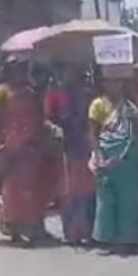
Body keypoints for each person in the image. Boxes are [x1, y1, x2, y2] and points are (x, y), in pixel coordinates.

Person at [0, 59, 57, 245]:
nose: (21, 73)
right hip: (11, 142)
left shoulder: (31, 91)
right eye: (18, 69)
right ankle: (15, 229)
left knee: (35, 186)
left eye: (24, 69)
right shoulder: (1, 91)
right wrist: (1, 141)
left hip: (32, 143)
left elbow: (38, 115)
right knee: (12, 187)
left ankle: (36, 227)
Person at [88, 73, 138, 253]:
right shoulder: (97, 105)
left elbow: (135, 133)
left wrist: (123, 155)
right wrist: (99, 156)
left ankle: (127, 240)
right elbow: (93, 133)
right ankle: (106, 239)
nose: (115, 85)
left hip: (126, 158)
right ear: (104, 83)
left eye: (118, 81)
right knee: (106, 200)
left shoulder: (130, 108)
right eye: (111, 81)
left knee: (128, 199)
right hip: (105, 155)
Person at [45, 64, 96, 245]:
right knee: (69, 190)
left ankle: (85, 230)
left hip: (84, 143)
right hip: (67, 145)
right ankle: (72, 232)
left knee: (86, 189)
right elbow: (50, 118)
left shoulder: (89, 93)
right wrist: (57, 126)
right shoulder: (56, 95)